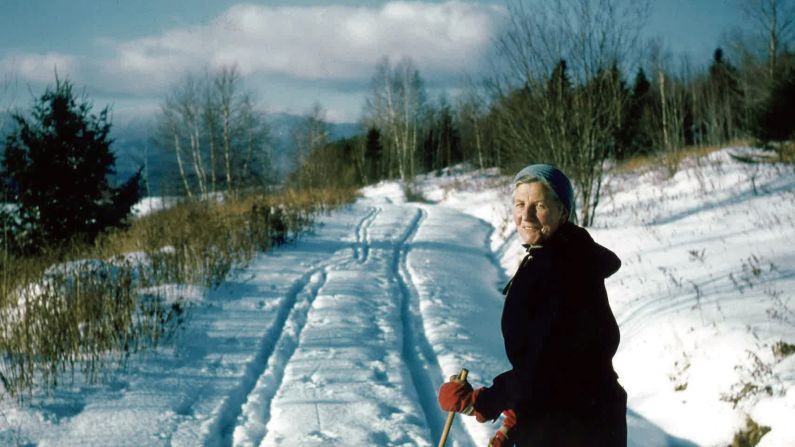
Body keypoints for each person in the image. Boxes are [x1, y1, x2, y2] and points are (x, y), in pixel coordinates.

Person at [437, 164, 627, 446]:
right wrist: (518, 418)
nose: (525, 216)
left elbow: (546, 366)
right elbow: (557, 365)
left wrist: (481, 402)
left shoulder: (562, 268)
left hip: (575, 428)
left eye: (538, 205)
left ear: (563, 211)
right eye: (519, 204)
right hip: (571, 418)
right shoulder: (559, 255)